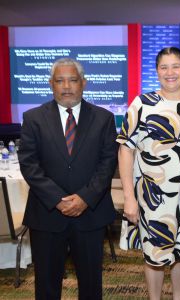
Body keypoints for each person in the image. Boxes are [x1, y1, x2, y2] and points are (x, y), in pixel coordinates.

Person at [117, 47, 180, 300]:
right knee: (154, 254)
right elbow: (125, 150)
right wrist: (129, 197)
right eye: (164, 67)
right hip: (152, 195)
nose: (170, 72)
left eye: (175, 66)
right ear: (157, 71)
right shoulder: (141, 104)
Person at [18, 58, 118, 300]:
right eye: (60, 81)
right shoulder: (33, 118)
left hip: (90, 214)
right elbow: (29, 164)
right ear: (51, 84)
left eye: (72, 80)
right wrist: (58, 199)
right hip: (47, 214)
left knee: (91, 283)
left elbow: (107, 164)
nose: (66, 87)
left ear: (83, 83)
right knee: (46, 284)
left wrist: (84, 198)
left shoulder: (104, 118)